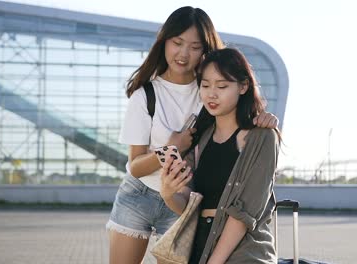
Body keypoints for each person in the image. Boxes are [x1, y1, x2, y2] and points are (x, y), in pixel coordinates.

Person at [106, 7, 279, 264]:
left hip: (185, 201)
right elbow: (136, 167)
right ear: (164, 41)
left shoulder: (208, 91)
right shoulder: (146, 95)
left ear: (206, 50)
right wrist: (170, 149)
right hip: (142, 194)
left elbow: (240, 119)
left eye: (195, 46)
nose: (184, 54)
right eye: (177, 43)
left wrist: (266, 118)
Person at [160, 48, 279, 264]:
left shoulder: (262, 138)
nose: (211, 94)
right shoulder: (199, 138)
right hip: (198, 248)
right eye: (205, 85)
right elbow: (188, 203)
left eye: (222, 86)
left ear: (243, 86)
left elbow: (243, 215)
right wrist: (168, 193)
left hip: (244, 253)